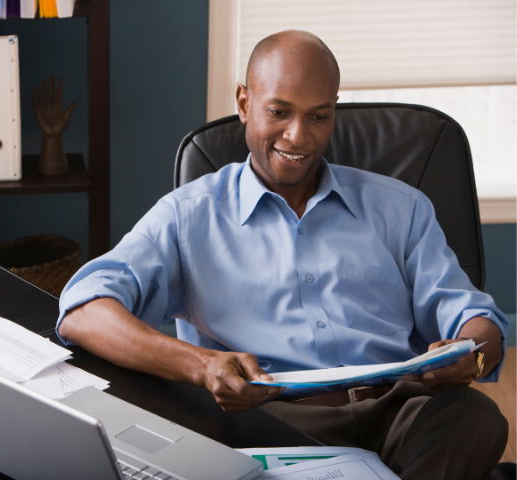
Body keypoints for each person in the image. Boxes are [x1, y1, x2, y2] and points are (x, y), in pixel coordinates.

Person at [56, 30, 509, 480]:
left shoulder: (402, 207)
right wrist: (202, 365)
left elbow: (475, 320)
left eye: (319, 116)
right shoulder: (188, 215)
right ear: (243, 103)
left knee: (476, 418)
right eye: (279, 112)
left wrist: (474, 354)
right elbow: (83, 308)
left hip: (394, 409)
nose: (299, 137)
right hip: (264, 420)